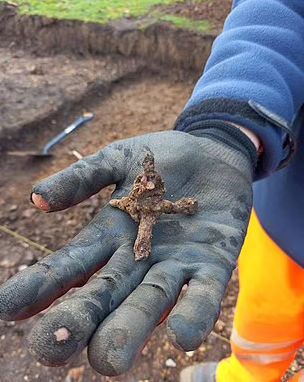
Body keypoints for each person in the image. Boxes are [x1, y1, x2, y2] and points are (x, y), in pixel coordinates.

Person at [0, 0, 304, 381]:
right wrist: (227, 131)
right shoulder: (144, 198)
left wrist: (168, 204)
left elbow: (164, 207)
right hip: (284, 218)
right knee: (263, 316)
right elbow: (280, 10)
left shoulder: (158, 204)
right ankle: (245, 374)